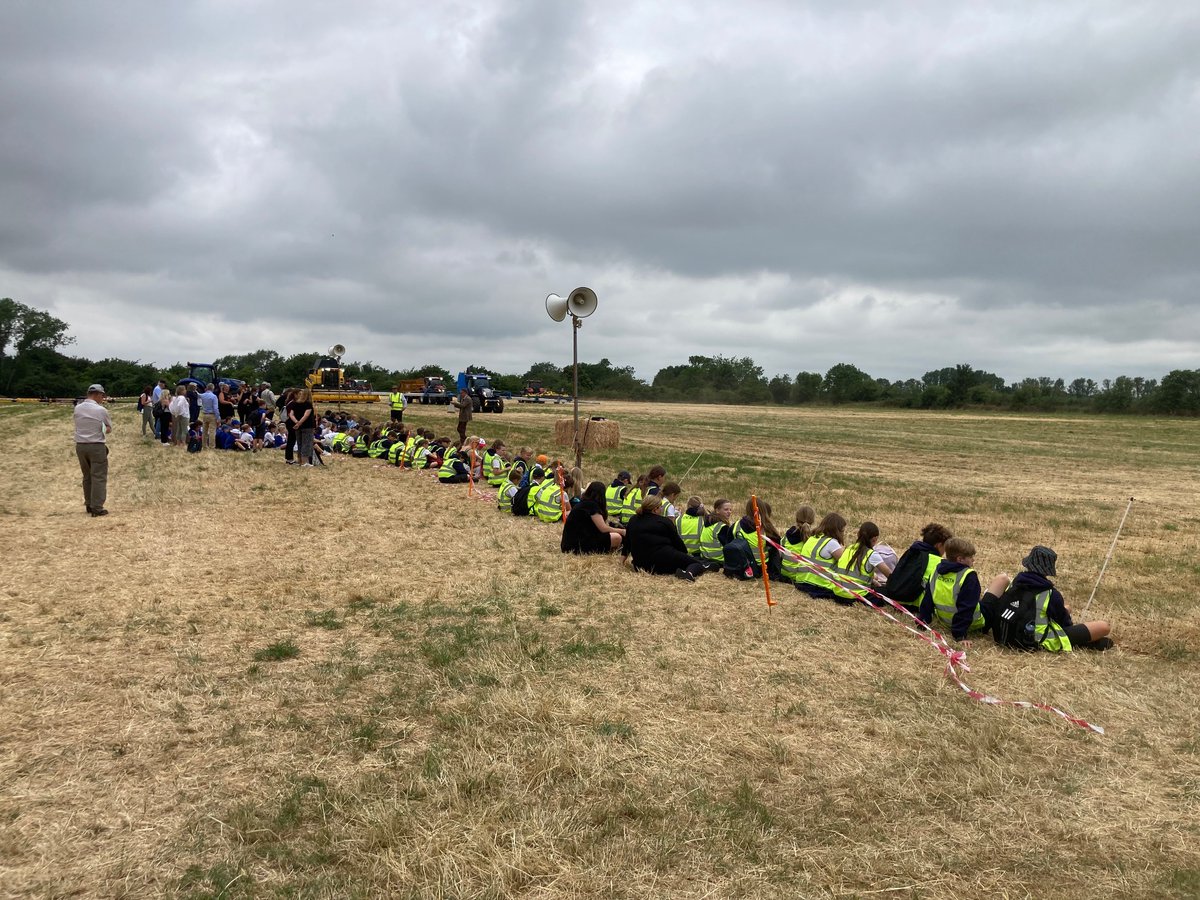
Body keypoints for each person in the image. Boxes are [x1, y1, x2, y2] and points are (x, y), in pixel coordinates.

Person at [986, 546, 1113, 651]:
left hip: (1002, 636)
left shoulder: (1015, 583)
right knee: (1104, 627)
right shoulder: (1050, 593)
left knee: (1067, 608)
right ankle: (1082, 643)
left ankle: (1087, 643)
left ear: (1028, 564)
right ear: (1048, 571)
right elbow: (1063, 624)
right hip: (1029, 641)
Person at [918, 537, 1010, 644]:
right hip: (977, 623)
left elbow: (927, 600)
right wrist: (960, 635)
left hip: (946, 622)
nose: (973, 560)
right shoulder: (968, 576)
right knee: (1003, 579)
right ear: (960, 559)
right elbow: (966, 608)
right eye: (970, 557)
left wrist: (922, 622)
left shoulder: (936, 571)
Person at [624, 494, 707, 581]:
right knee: (696, 564)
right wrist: (684, 556)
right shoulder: (664, 522)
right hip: (663, 563)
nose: (662, 509)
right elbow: (679, 545)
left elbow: (627, 544)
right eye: (661, 507)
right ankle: (688, 574)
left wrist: (621, 562)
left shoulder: (633, 520)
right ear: (655, 509)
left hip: (640, 566)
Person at [884, 523, 952, 612]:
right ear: (938, 545)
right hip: (914, 604)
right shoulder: (938, 561)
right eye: (945, 546)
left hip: (895, 598)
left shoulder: (911, 551)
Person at [830, 522, 896, 605]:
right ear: (875, 539)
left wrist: (873, 581)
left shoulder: (848, 548)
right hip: (856, 597)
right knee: (886, 592)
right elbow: (890, 577)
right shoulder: (871, 554)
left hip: (838, 594)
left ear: (858, 534)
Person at [74, 384, 113, 516]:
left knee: (87, 476)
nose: (102, 398)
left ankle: (89, 504)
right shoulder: (101, 410)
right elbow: (108, 429)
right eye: (102, 395)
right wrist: (103, 428)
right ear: (97, 394)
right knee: (98, 476)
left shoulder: (77, 408)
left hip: (80, 445)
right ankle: (97, 507)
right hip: (96, 445)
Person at [792, 512, 846, 598]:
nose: (843, 534)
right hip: (819, 585)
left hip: (801, 582)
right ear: (837, 531)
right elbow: (845, 562)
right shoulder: (832, 543)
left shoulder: (812, 538)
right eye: (843, 531)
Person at [562, 482, 625, 554]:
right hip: (578, 546)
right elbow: (603, 528)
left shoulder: (582, 504)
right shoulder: (592, 506)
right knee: (617, 537)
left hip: (568, 545)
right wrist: (622, 531)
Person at [780, 506, 816, 583]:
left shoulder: (788, 534)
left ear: (796, 519)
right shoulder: (813, 539)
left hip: (784, 572)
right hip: (800, 576)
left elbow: (780, 548)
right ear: (813, 521)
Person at [696, 498, 735, 564]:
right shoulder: (722, 527)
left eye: (730, 509)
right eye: (726, 509)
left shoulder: (706, 523)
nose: (729, 512)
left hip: (705, 558)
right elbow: (730, 547)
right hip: (720, 560)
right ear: (717, 510)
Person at [289, 388, 316, 466]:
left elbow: (291, 414)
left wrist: (296, 422)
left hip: (297, 427)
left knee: (299, 443)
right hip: (307, 426)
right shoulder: (308, 404)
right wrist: (299, 423)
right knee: (307, 443)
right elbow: (306, 415)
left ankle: (300, 460)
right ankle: (305, 462)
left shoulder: (295, 404)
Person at [198, 383, 219, 450]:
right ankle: (212, 446)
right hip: (212, 414)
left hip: (205, 414)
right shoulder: (214, 396)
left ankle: (204, 446)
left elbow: (198, 395)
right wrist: (218, 417)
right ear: (213, 388)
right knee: (212, 431)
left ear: (207, 388)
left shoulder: (202, 395)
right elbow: (215, 408)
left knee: (204, 431)